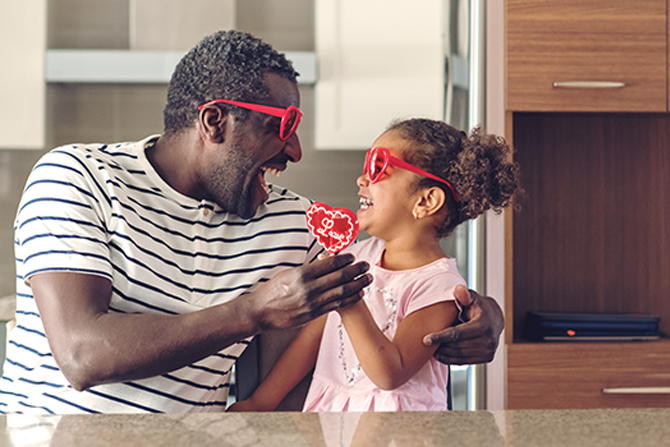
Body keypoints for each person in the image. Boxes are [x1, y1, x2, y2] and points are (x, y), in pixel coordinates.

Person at [0, 30, 503, 415]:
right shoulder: (77, 177)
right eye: (282, 127)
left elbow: (406, 269)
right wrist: (251, 311)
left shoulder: (291, 223)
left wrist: (483, 315)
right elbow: (83, 356)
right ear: (215, 121)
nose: (296, 151)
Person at [228, 118, 520, 412]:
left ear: (426, 201)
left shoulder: (439, 287)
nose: (362, 179)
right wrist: (261, 401)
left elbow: (391, 373)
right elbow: (312, 336)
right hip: (331, 416)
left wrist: (348, 300)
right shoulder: (357, 255)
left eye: (378, 167)